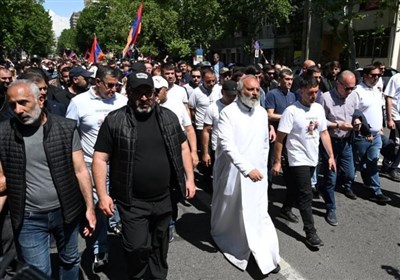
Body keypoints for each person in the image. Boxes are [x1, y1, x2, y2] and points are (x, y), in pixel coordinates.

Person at [92, 71, 196, 279]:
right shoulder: (115, 120)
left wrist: (190, 179)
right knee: (137, 247)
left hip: (165, 197)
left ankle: (158, 277)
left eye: (148, 92)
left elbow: (183, 147)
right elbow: (100, 159)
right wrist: (103, 195)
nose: (144, 97)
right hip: (132, 201)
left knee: (160, 245)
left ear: (155, 93)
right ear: (128, 93)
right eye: (138, 92)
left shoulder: (168, 117)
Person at [0, 79, 96, 279]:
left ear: (41, 99)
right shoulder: (3, 133)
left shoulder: (66, 128)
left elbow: (80, 170)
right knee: (38, 272)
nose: (17, 110)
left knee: (70, 260)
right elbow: (2, 182)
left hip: (66, 212)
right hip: (28, 218)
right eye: (12, 105)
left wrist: (89, 208)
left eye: (23, 102)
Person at [211, 75, 280, 275]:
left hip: (258, 174)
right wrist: (246, 168)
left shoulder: (260, 113)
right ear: (240, 91)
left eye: (257, 90)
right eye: (250, 89)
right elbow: (226, 144)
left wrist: (262, 169)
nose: (254, 93)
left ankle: (266, 257)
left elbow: (263, 144)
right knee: (233, 214)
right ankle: (234, 244)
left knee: (258, 213)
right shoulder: (228, 113)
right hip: (233, 172)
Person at [66, 66, 128, 272]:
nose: (113, 89)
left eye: (116, 85)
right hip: (93, 165)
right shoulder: (79, 103)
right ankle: (99, 250)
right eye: (110, 85)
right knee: (99, 207)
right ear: (97, 82)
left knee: (122, 204)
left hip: (121, 165)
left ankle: (129, 243)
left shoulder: (122, 101)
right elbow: (68, 134)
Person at [272, 77, 336, 248]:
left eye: (316, 92)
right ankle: (310, 232)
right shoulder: (291, 111)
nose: (314, 95)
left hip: (312, 157)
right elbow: (280, 139)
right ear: (301, 91)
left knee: (295, 188)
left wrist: (330, 155)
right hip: (296, 158)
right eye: (310, 92)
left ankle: (285, 209)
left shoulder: (318, 109)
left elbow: (323, 133)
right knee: (306, 194)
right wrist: (277, 161)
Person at [318, 70, 358, 226]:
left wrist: (356, 121)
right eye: (347, 88)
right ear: (338, 83)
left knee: (349, 174)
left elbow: (355, 112)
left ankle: (322, 187)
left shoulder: (353, 96)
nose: (350, 91)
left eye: (352, 88)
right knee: (331, 179)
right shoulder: (325, 98)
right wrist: (337, 125)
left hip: (346, 142)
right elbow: (320, 122)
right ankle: (331, 208)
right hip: (330, 142)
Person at [349, 65, 391, 204]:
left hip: (376, 134)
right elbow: (352, 110)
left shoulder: (377, 90)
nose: (376, 78)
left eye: (378, 75)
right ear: (365, 75)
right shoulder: (357, 91)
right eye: (373, 75)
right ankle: (346, 184)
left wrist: (380, 126)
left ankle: (376, 191)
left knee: (372, 161)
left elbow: (379, 109)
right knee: (356, 163)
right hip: (361, 135)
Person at [265, 69, 296, 197]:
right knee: (272, 160)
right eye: (287, 79)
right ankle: (267, 187)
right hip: (276, 133)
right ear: (280, 80)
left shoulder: (292, 95)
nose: (289, 82)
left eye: (291, 79)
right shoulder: (272, 94)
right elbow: (269, 114)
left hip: (289, 134)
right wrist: (286, 116)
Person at [202, 80, 237, 175]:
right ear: (222, 92)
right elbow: (206, 131)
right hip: (218, 149)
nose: (231, 98)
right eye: (228, 95)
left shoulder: (239, 108)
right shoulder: (212, 108)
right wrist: (206, 153)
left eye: (234, 95)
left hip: (236, 148)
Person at [382, 73, 400, 181]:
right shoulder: (396, 78)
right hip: (396, 115)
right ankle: (393, 168)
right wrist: (389, 118)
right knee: (396, 142)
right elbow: (388, 98)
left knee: (394, 142)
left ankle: (386, 164)